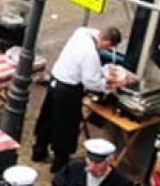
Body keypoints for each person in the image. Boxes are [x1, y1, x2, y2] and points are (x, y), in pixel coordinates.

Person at [31, 26, 124, 172]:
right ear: (105, 40)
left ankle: (38, 151)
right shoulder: (90, 54)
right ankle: (59, 164)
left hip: (56, 81)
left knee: (48, 119)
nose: (108, 48)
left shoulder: (81, 33)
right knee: (66, 128)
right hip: (68, 90)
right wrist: (109, 86)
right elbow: (90, 81)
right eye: (109, 45)